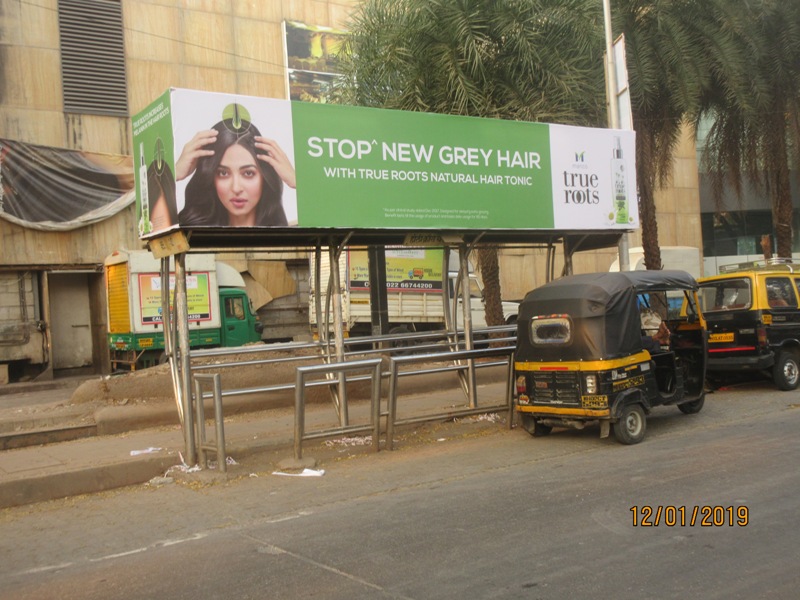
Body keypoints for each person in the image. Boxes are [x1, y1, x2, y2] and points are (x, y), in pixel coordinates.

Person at [176, 113, 296, 227]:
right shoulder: (190, 233)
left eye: (248, 173)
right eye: (223, 173)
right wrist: (173, 174)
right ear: (211, 177)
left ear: (264, 177)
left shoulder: (293, 233)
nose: (236, 188)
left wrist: (297, 182)